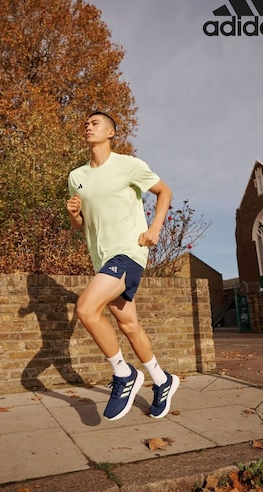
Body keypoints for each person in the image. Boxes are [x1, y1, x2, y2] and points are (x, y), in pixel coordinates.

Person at [66, 111, 179, 421]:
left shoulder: (129, 165)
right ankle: (161, 379)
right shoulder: (76, 177)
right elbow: (80, 225)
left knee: (86, 309)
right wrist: (74, 213)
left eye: (95, 123)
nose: (88, 126)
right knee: (129, 325)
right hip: (102, 259)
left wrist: (155, 228)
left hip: (129, 252)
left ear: (111, 133)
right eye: (85, 123)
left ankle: (123, 373)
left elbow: (164, 191)